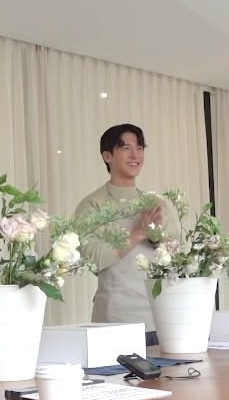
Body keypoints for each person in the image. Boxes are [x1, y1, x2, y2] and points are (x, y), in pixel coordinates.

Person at [74, 123, 177, 346]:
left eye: (140, 148)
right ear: (107, 155)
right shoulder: (93, 205)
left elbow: (178, 258)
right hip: (114, 320)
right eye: (126, 148)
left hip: (160, 319)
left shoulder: (156, 203)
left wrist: (157, 236)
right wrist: (137, 233)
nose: (135, 155)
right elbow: (92, 258)